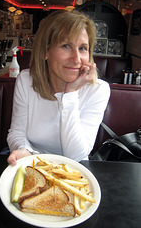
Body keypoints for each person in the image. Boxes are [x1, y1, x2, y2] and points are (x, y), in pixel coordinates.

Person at [7, 10, 110, 165]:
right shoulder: (26, 80)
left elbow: (76, 155)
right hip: (31, 161)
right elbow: (17, 132)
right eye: (66, 46)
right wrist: (24, 150)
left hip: (73, 170)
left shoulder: (98, 90)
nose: (76, 59)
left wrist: (70, 94)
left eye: (82, 48)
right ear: (45, 52)